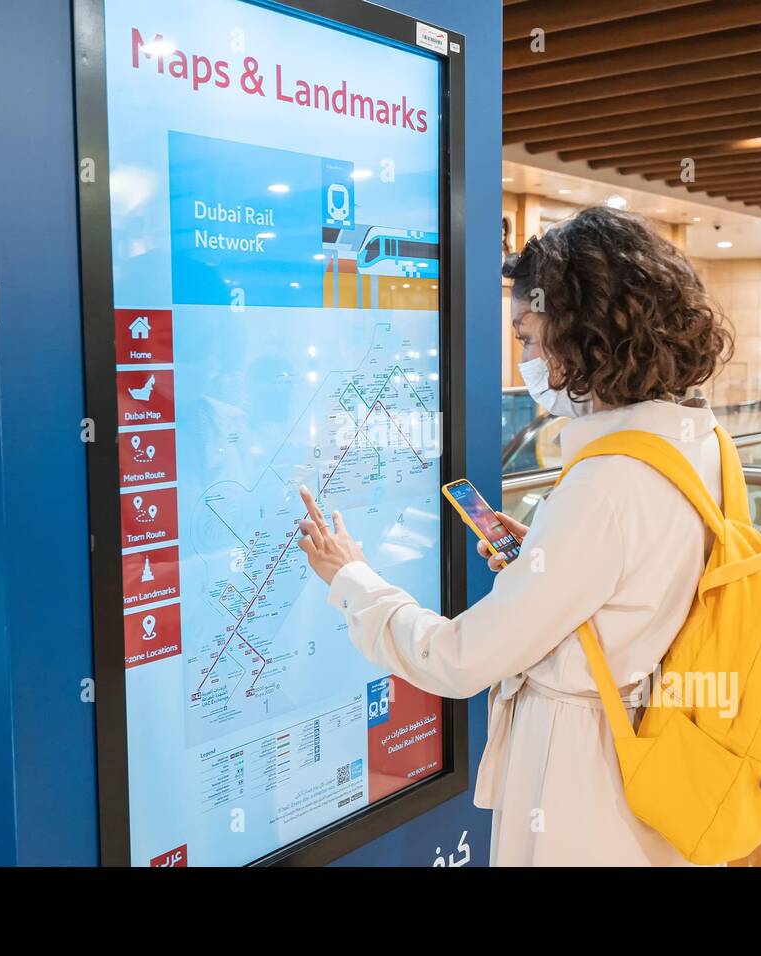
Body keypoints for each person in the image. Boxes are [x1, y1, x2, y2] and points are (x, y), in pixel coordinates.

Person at [296, 206, 734, 866]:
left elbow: (458, 658)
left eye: (529, 338)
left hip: (583, 780)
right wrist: (546, 558)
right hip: (656, 744)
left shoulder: (605, 486)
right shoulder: (701, 444)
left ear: (586, 333)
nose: (527, 359)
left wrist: (351, 580)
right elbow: (637, 577)